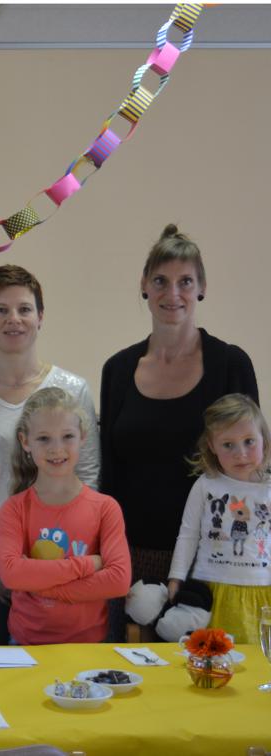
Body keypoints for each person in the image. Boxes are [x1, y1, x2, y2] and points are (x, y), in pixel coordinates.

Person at [0, 264, 99, 644]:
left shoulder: (73, 390)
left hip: (60, 568)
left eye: (24, 309)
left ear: (40, 317)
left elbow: (89, 479)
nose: (14, 319)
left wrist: (53, 567)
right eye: (1, 309)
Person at [100, 224, 259, 588]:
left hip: (214, 561)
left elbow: (252, 466)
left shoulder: (231, 364)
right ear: (144, 285)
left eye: (185, 281)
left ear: (202, 288)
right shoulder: (118, 370)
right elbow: (109, 472)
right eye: (160, 281)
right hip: (130, 558)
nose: (173, 293)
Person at [0, 388, 130, 645]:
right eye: (44, 439)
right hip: (26, 645)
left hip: (88, 646)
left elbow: (118, 581)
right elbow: (12, 575)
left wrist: (37, 582)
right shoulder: (14, 509)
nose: (57, 449)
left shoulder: (105, 508)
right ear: (25, 442)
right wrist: (87, 566)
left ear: (83, 437)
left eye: (67, 436)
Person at [168, 394, 271, 644]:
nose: (241, 453)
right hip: (212, 590)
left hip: (262, 591)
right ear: (212, 446)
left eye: (249, 441)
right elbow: (188, 534)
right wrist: (176, 577)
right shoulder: (206, 485)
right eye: (228, 445)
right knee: (212, 657)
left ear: (264, 440)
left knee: (257, 665)